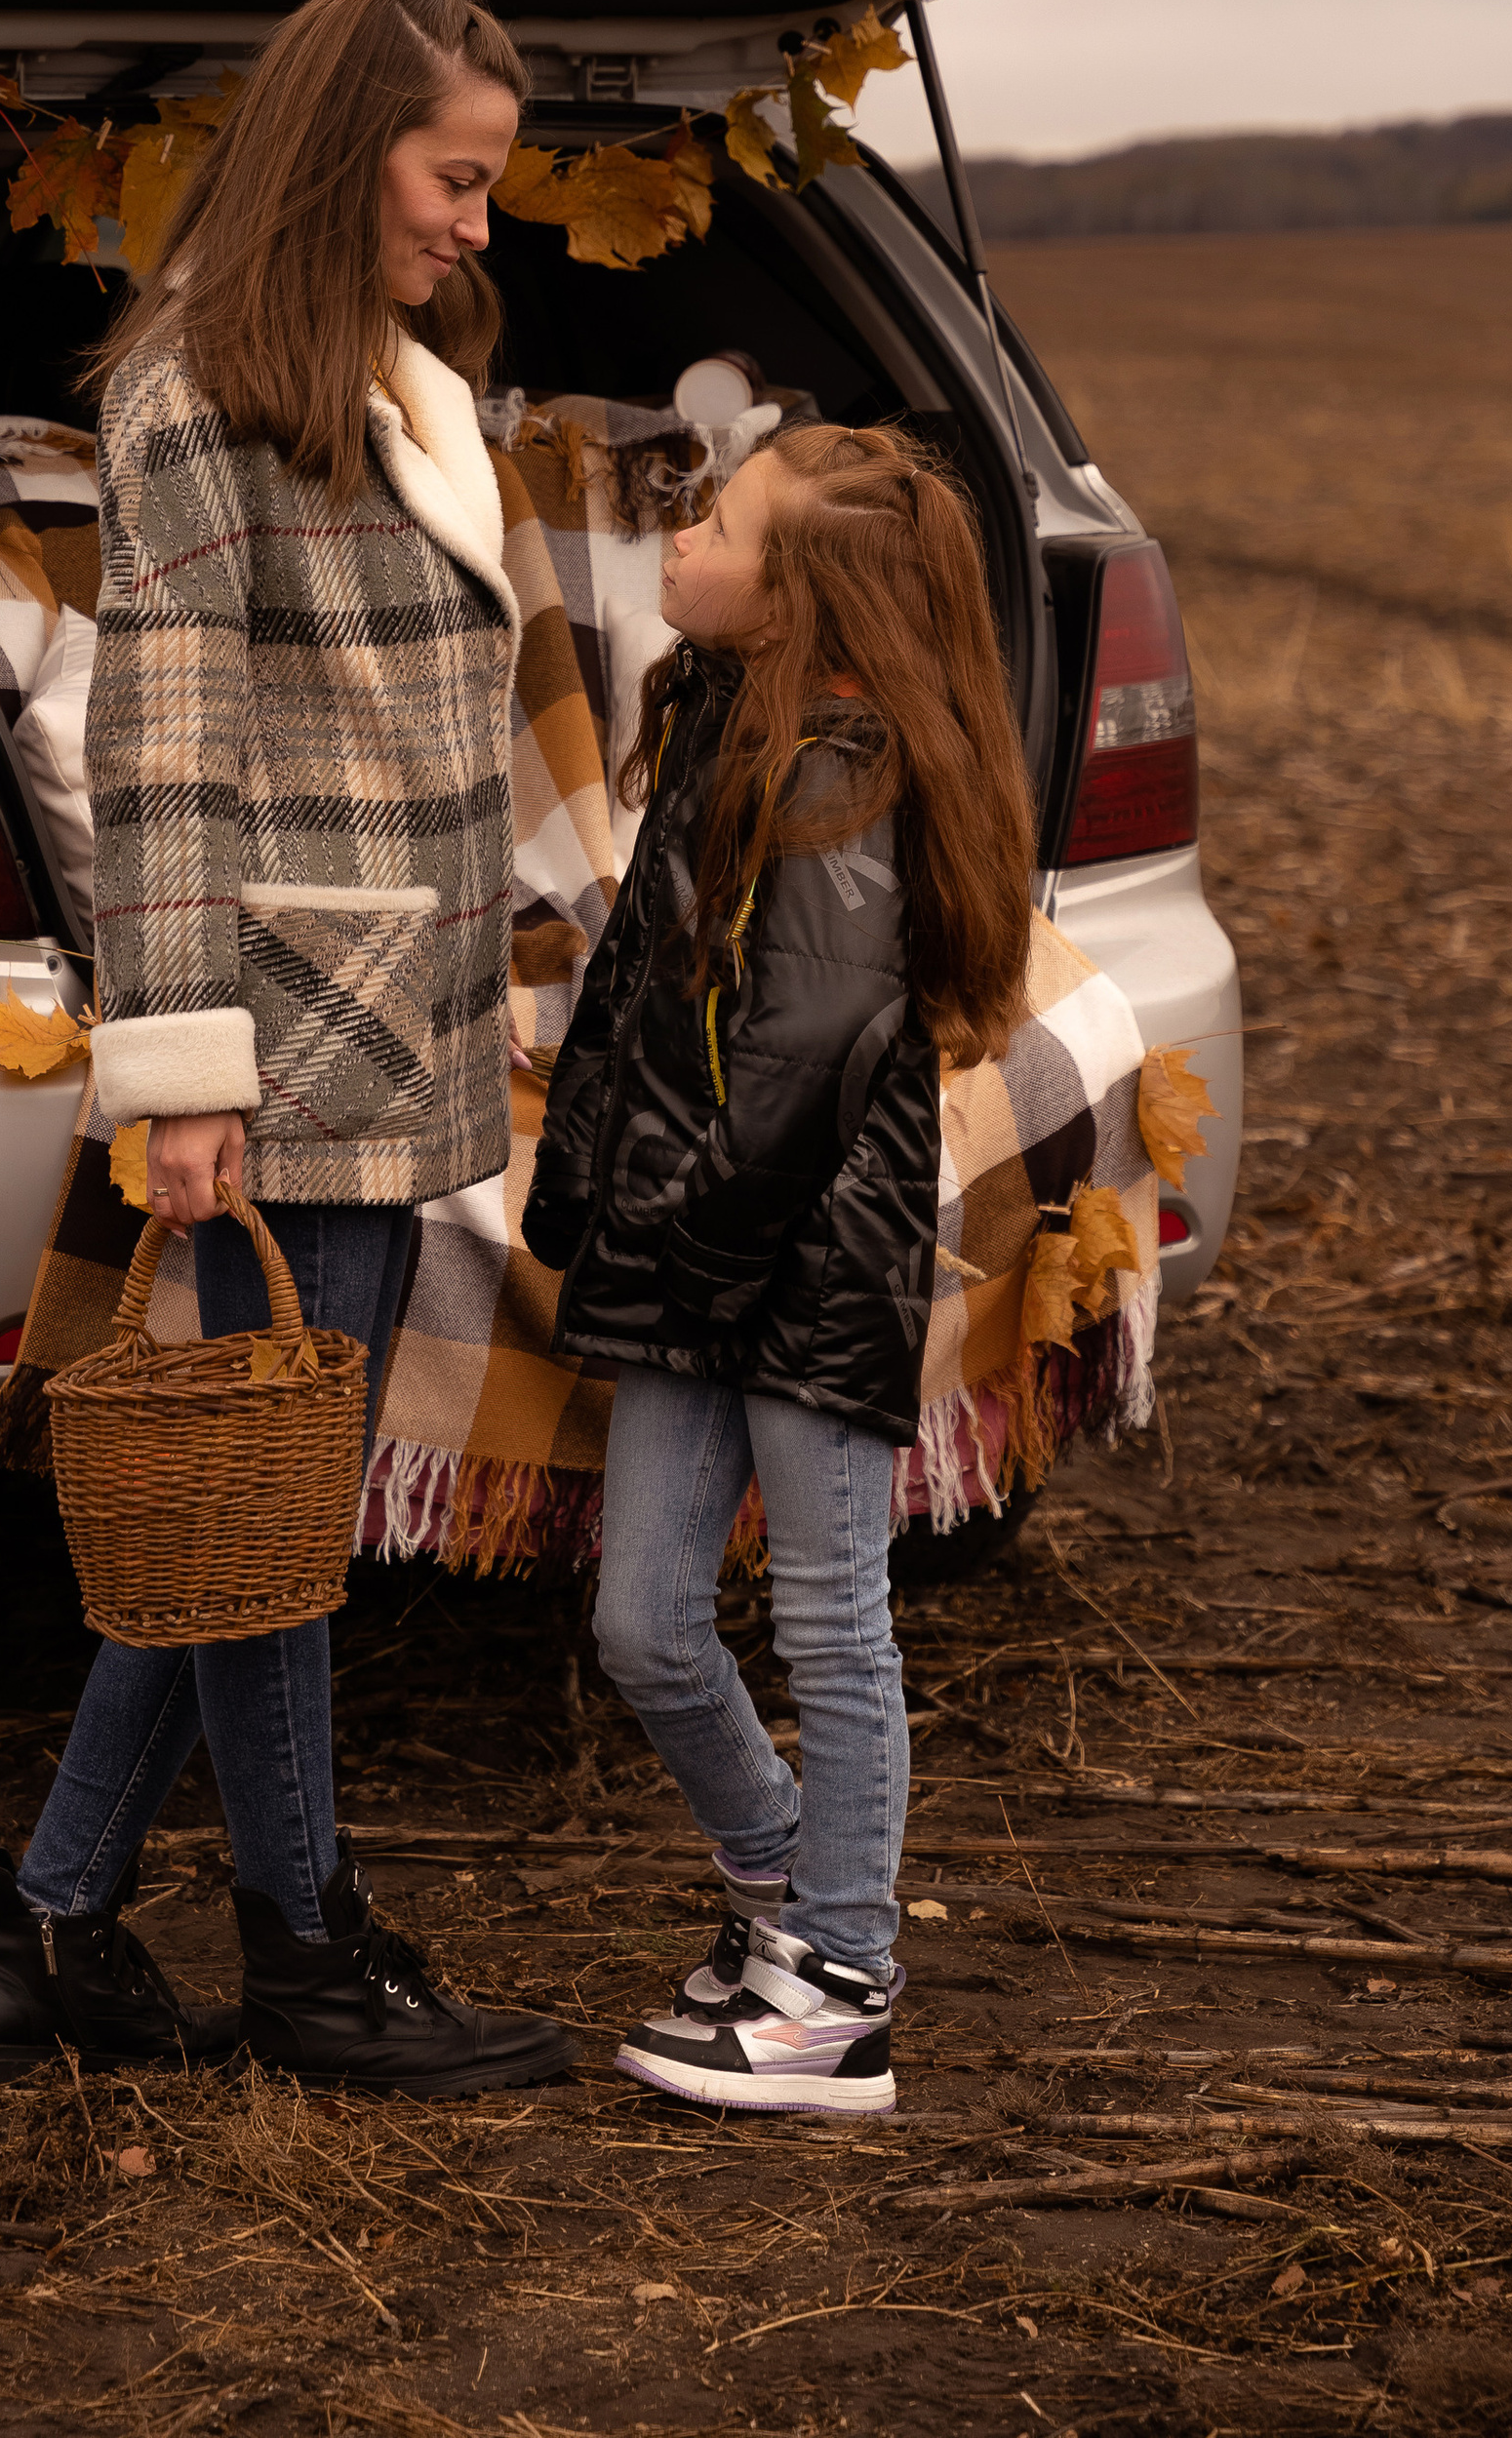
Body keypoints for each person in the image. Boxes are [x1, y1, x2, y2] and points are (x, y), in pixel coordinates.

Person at [0, 0, 573, 2098]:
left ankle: (46, 1930)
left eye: (485, 184)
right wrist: (184, 1078)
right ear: (338, 151)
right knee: (269, 1517)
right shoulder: (199, 391)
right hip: (287, 1037)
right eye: (451, 176)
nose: (477, 221)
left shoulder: (394, 380)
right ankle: (300, 1957)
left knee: (248, 1502)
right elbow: (168, 754)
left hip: (384, 1020)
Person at [522, 427, 1034, 2115]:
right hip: (696, 1255)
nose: (677, 535)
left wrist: (670, 1233)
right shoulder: (726, 731)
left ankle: (838, 1983)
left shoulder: (838, 778)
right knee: (647, 1625)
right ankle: (776, 1896)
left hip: (800, 1266)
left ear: (800, 596)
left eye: (718, 521)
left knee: (831, 1621)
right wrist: (586, 1197)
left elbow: (802, 1069)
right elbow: (648, 1017)